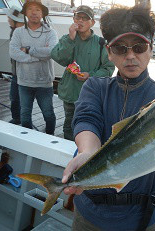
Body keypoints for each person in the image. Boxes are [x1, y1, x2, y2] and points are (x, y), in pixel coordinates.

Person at [61, 5, 155, 231]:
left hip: (138, 219)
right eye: (120, 48)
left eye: (139, 47)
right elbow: (86, 119)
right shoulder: (95, 86)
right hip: (89, 214)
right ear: (109, 52)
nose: (130, 56)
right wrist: (88, 153)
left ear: (151, 48)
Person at [51, 5, 115, 141]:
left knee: (88, 126)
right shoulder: (67, 38)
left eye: (85, 18)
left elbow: (108, 69)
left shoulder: (100, 43)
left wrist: (90, 75)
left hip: (91, 95)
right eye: (77, 17)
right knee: (68, 126)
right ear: (73, 19)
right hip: (70, 92)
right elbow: (58, 57)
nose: (80, 21)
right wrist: (70, 38)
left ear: (92, 23)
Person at [9, 0, 58, 135]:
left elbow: (52, 51)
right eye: (30, 9)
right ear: (25, 13)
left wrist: (28, 50)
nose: (34, 12)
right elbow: (13, 52)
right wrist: (37, 56)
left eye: (37, 9)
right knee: (25, 115)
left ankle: (49, 137)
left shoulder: (50, 32)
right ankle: (28, 140)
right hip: (24, 82)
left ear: (42, 13)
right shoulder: (18, 32)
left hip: (45, 82)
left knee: (49, 115)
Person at [3, 6, 25, 125]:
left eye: (9, 18)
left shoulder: (25, 32)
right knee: (14, 97)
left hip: (25, 73)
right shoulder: (13, 30)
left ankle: (24, 121)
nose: (8, 20)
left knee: (24, 99)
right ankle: (17, 118)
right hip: (16, 72)